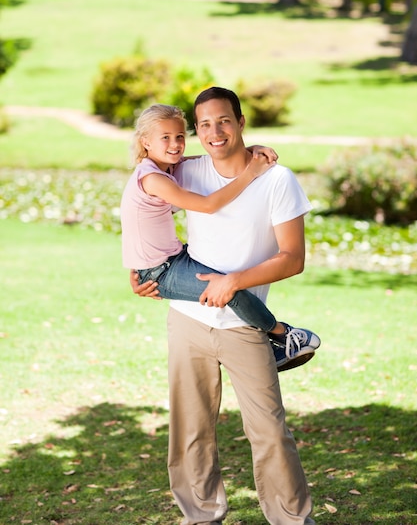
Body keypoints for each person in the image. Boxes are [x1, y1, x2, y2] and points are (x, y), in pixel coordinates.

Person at [130, 87, 316, 524]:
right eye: (205, 125)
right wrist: (137, 271)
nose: (215, 131)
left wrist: (234, 282)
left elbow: (293, 258)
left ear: (241, 122)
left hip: (243, 328)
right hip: (187, 322)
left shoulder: (277, 180)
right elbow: (139, 209)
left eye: (224, 120)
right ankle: (201, 516)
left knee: (269, 432)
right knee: (191, 433)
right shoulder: (186, 172)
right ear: (196, 132)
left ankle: (292, 519)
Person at [121, 103, 320, 371]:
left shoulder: (163, 166)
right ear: (145, 142)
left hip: (172, 259)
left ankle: (273, 344)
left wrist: (248, 151)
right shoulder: (154, 179)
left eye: (180, 136)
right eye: (165, 138)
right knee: (230, 290)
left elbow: (205, 159)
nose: (176, 144)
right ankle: (283, 336)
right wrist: (251, 172)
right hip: (159, 271)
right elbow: (208, 205)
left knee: (226, 281)